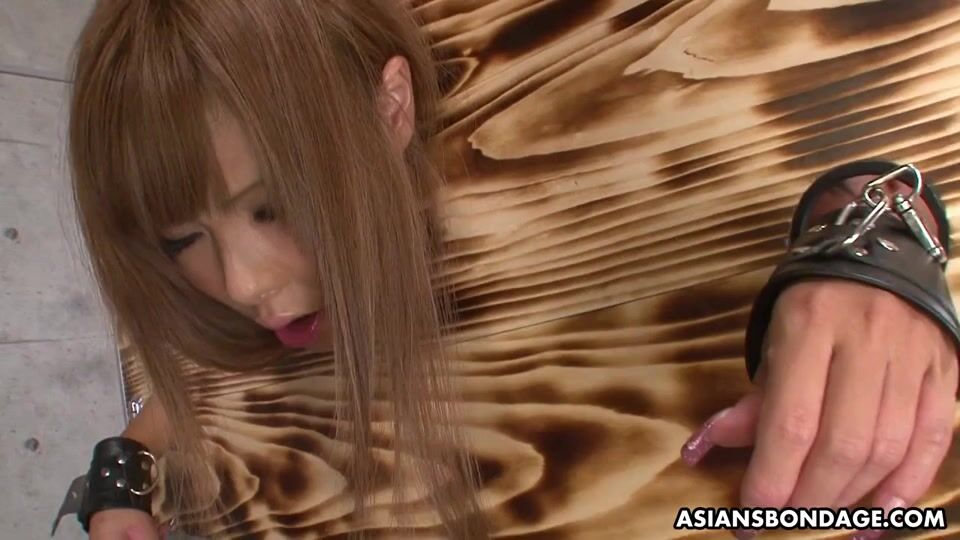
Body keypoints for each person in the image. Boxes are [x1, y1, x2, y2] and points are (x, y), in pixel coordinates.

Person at [60, 1, 958, 539]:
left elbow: (849, 122)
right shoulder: (245, 310)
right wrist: (121, 472)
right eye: (183, 239)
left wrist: (870, 238)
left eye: (274, 206)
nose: (246, 285)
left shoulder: (582, 130)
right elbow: (198, 381)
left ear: (392, 108)